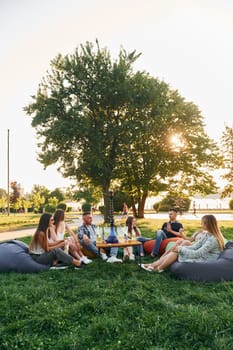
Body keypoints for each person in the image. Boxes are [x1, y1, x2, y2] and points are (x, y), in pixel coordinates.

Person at [140, 214, 225, 272]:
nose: (201, 224)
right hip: (202, 255)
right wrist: (180, 248)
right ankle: (154, 265)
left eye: (202, 222)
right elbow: (195, 246)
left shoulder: (212, 239)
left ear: (207, 224)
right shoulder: (207, 235)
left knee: (177, 251)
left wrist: (180, 249)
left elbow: (198, 253)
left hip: (206, 259)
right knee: (177, 249)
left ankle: (157, 268)